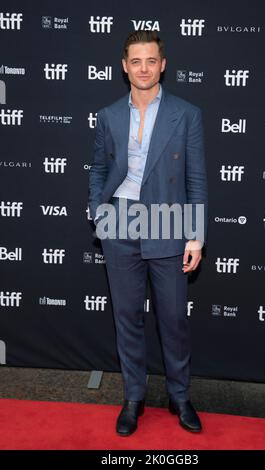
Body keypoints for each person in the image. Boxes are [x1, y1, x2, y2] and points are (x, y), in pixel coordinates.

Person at [88, 30, 208, 436]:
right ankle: (133, 397)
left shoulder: (186, 113)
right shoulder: (109, 115)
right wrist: (98, 212)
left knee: (173, 318)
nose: (144, 68)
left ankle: (179, 395)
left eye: (151, 60)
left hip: (167, 220)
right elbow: (98, 170)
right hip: (120, 219)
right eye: (136, 61)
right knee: (127, 318)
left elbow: (196, 179)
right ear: (125, 66)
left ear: (163, 64)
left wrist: (196, 235)